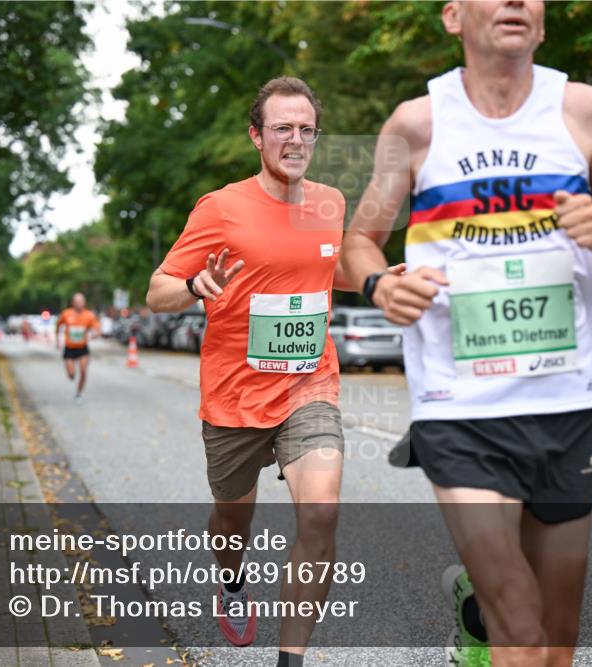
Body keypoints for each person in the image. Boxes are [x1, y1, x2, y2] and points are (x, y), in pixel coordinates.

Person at [341, 2, 592, 665]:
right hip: (460, 410)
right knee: (518, 623)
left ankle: (472, 608)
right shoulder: (417, 125)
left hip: (566, 403)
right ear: (453, 17)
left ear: (542, 22)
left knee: (556, 637)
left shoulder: (584, 111)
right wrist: (380, 285)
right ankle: (488, 608)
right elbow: (360, 243)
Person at [147, 76, 395, 667]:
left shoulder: (328, 203)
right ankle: (231, 581)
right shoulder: (221, 207)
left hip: (308, 385)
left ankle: (291, 659)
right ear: (256, 136)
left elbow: (321, 269)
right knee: (233, 520)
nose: (296, 139)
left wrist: (378, 278)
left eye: (307, 129)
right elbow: (157, 292)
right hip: (234, 394)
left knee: (323, 511)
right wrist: (191, 285)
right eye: (283, 128)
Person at [55, 293, 99, 402]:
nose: (79, 303)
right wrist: (57, 341)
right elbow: (58, 326)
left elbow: (97, 328)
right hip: (69, 348)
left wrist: (95, 334)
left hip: (82, 347)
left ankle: (78, 393)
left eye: (81, 301)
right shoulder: (66, 313)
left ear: (85, 303)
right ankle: (71, 375)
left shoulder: (89, 315)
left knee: (83, 371)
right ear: (73, 303)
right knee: (71, 375)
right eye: (77, 301)